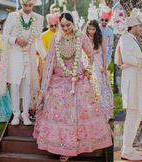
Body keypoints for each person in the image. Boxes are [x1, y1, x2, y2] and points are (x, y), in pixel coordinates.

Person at [33, 12, 112, 162]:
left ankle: (74, 147)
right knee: (57, 108)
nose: (65, 28)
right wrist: (45, 86)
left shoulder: (80, 37)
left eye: (68, 25)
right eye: (62, 25)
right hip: (59, 80)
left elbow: (90, 55)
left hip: (78, 80)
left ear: (73, 24)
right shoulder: (56, 38)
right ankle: (59, 145)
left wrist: (88, 70)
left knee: (78, 112)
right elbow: (50, 61)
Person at [0, 0, 46, 126]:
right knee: (15, 86)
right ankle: (16, 114)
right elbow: (5, 35)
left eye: (30, 5)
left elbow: (38, 40)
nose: (27, 8)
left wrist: (46, 57)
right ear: (21, 4)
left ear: (33, 5)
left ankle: (25, 115)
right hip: (14, 57)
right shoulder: (12, 16)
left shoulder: (38, 19)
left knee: (27, 86)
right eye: (25, 5)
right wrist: (15, 40)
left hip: (29, 58)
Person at [115, 9, 142, 161]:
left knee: (136, 115)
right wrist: (141, 62)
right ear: (133, 27)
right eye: (140, 26)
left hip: (136, 81)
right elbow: (126, 58)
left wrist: (141, 61)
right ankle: (126, 150)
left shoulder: (131, 39)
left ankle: (129, 147)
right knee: (132, 115)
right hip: (132, 83)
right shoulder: (126, 39)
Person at [84, 20, 114, 120]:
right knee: (89, 85)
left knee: (100, 85)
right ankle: (90, 109)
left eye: (93, 29)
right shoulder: (84, 38)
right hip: (88, 62)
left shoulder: (100, 38)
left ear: (96, 30)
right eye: (89, 29)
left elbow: (104, 53)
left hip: (98, 62)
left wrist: (104, 66)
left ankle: (102, 110)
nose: (91, 31)